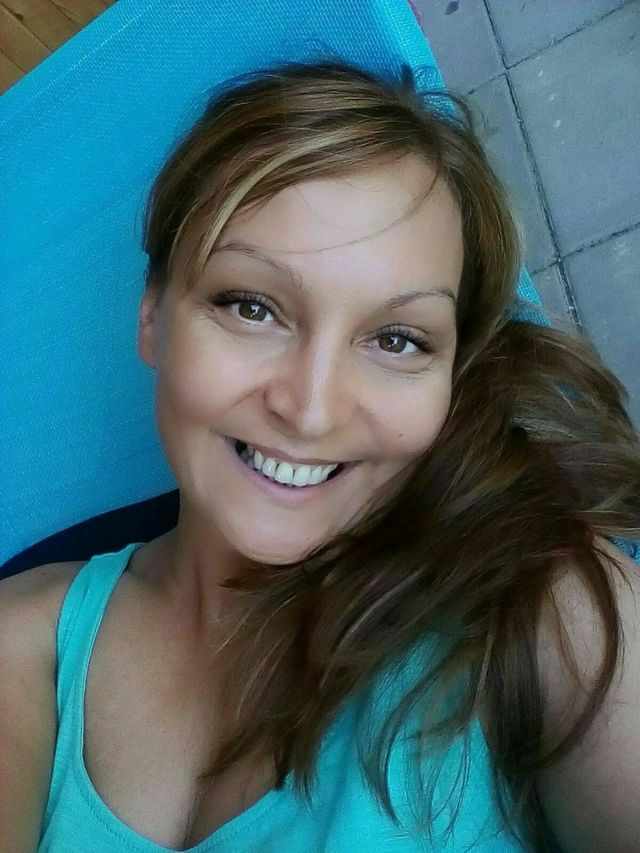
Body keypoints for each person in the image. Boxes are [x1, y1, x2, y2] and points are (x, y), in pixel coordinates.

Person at [2, 59, 639, 853]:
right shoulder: (24, 637)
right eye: (252, 306)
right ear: (152, 316)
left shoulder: (548, 608)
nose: (310, 409)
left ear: (450, 378)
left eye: (397, 340)